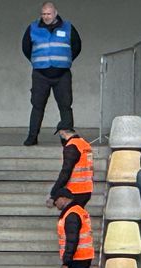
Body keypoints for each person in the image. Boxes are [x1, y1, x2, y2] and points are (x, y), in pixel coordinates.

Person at [22, 2, 81, 145]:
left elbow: (77, 46)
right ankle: (32, 137)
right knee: (37, 106)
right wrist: (38, 62)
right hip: (40, 74)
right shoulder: (33, 28)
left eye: (48, 14)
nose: (46, 16)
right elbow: (26, 48)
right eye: (43, 14)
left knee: (65, 106)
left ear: (55, 13)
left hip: (62, 74)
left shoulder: (68, 27)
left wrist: (64, 60)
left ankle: (67, 138)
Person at [47, 128, 93, 206]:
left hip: (74, 190)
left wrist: (54, 192)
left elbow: (66, 172)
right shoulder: (85, 144)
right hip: (87, 189)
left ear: (62, 132)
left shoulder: (71, 146)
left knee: (71, 212)